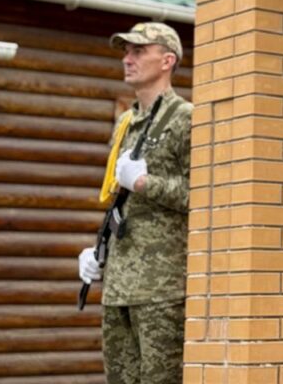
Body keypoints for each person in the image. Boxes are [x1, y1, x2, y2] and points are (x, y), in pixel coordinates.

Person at [78, 21, 193, 384]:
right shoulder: (126, 123)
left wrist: (145, 182)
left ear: (167, 60)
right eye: (126, 51)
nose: (127, 59)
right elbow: (118, 199)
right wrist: (99, 250)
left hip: (162, 287)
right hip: (118, 286)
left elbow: (204, 196)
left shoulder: (186, 119)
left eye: (138, 51)